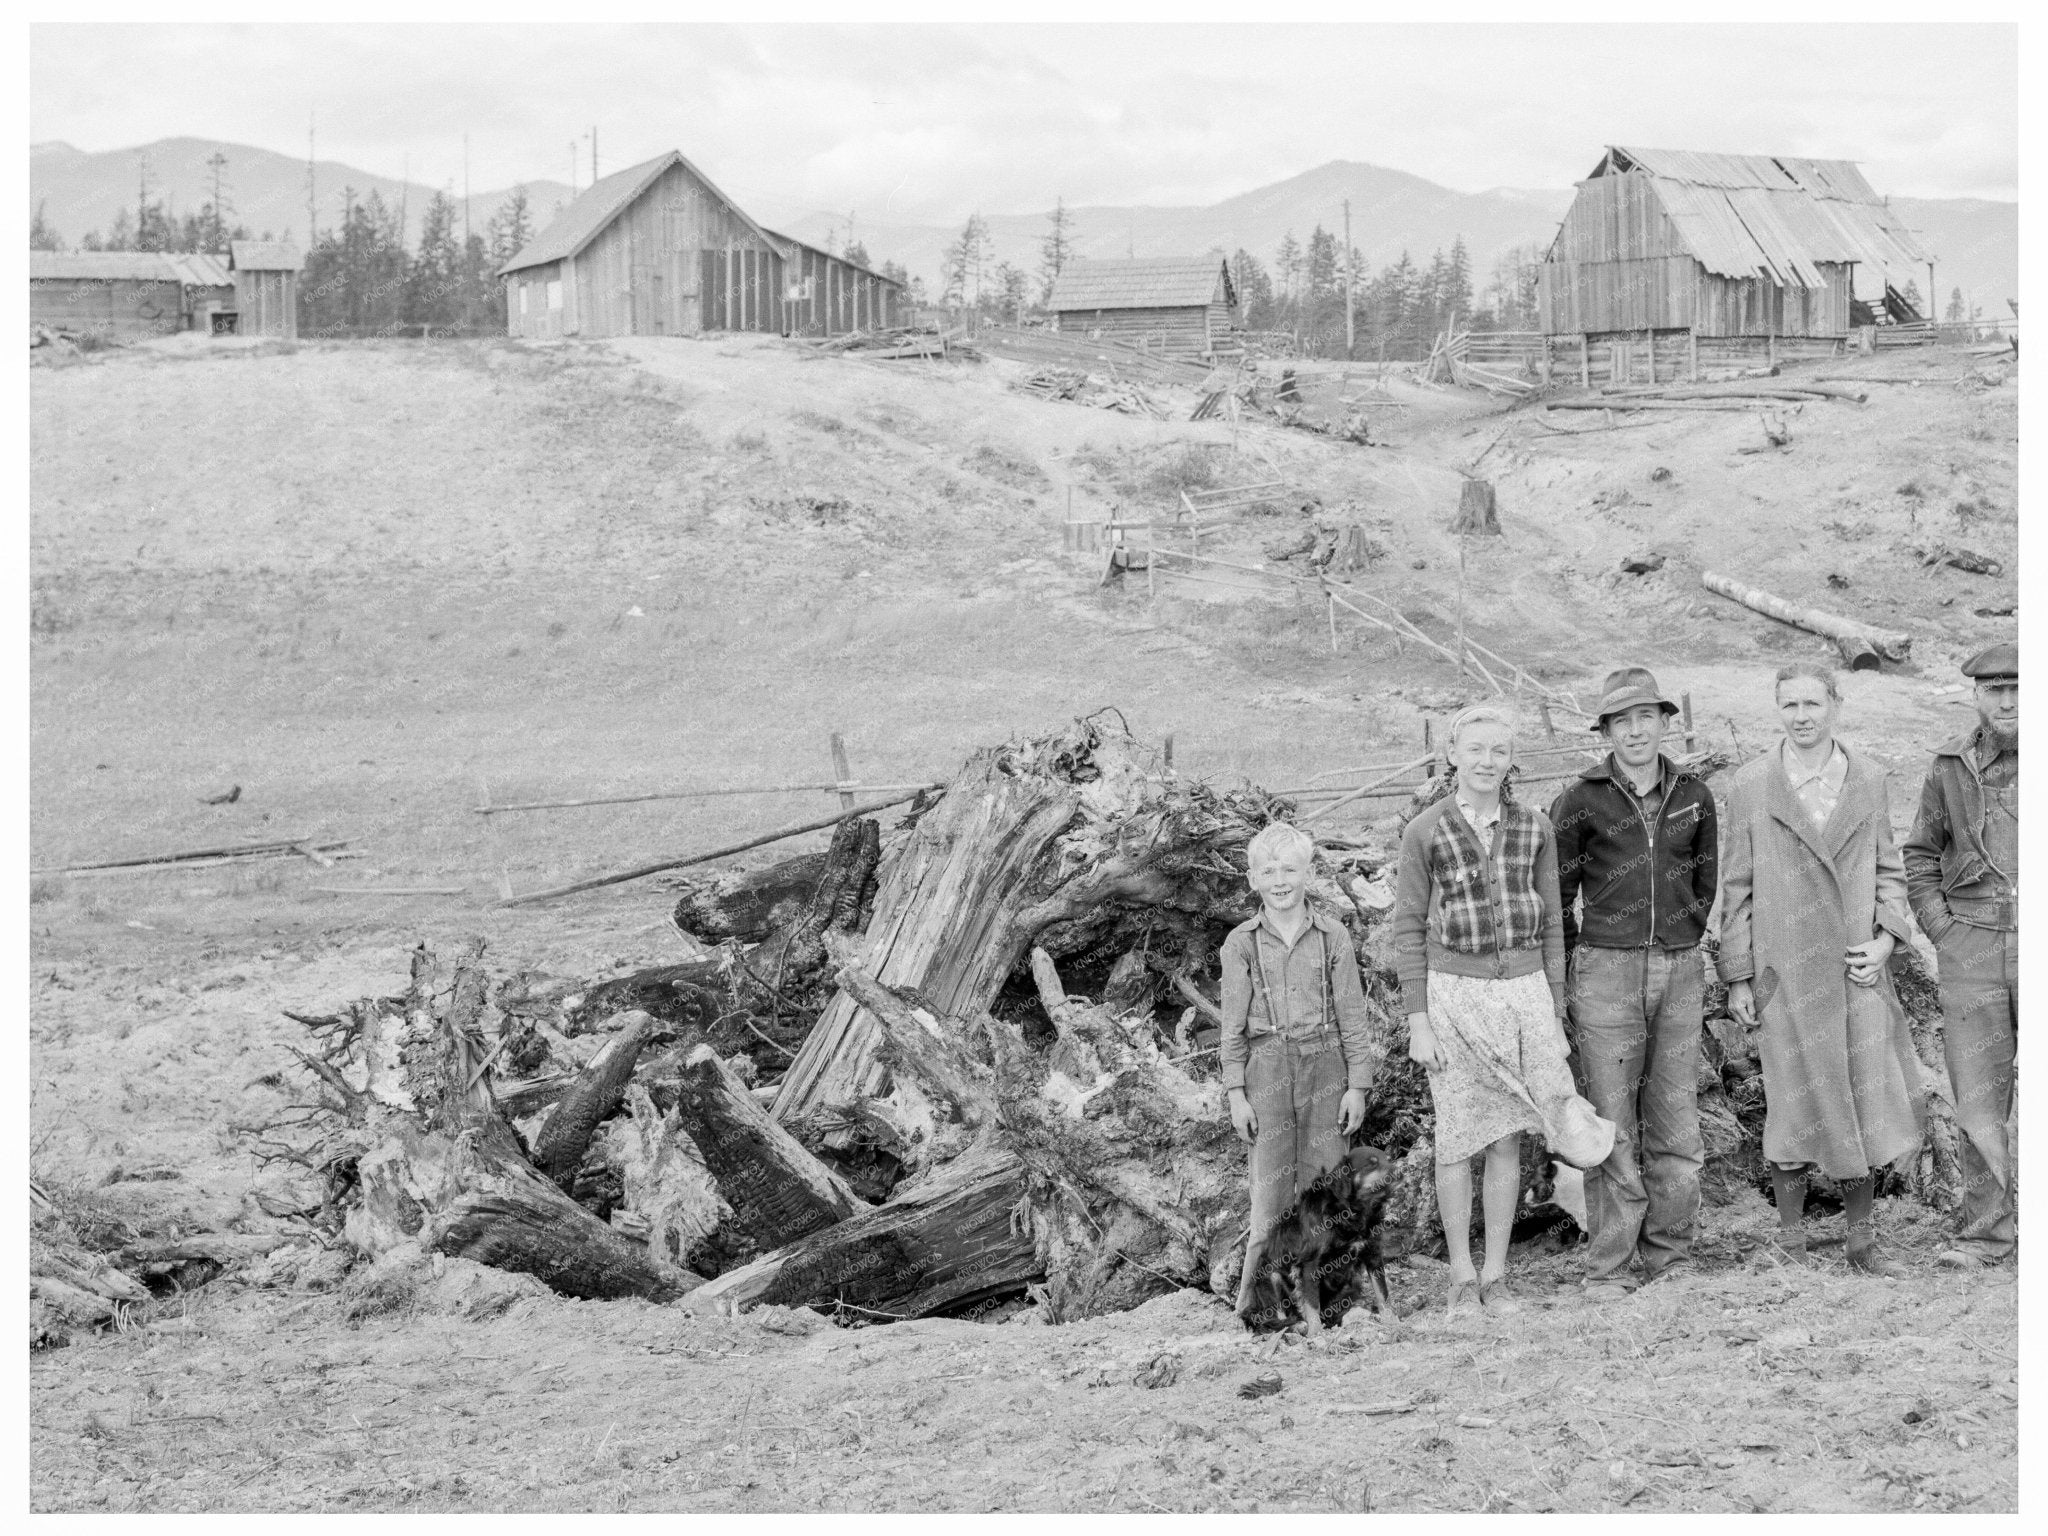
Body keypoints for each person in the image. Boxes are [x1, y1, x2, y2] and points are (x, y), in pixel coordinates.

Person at [1718, 663, 1923, 1275]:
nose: (1802, 716)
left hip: (1853, 971)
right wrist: (1739, 975)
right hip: (1784, 972)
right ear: (1777, 709)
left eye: (1813, 703)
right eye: (1790, 705)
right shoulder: (1753, 783)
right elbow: (1736, 887)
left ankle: (1862, 1243)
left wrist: (1885, 941)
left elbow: (1890, 871)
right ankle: (1791, 1241)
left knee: (1860, 1098)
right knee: (1791, 1100)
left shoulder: (1868, 777)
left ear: (1836, 704)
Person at [1394, 705, 1575, 1317]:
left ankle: (1496, 1275)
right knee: (1456, 1137)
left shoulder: (1535, 827)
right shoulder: (1425, 831)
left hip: (1522, 994)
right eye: (1475, 749)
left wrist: (1553, 1011)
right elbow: (1408, 931)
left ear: (1511, 759)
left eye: (1498, 750)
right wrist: (1418, 1021)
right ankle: (1460, 1277)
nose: (1486, 761)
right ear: (1452, 754)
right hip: (1454, 997)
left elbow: (1553, 925)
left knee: (1505, 1139)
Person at [1551, 667, 1719, 1300]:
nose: (1636, 730)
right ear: (1606, 732)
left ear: (1665, 721)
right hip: (1606, 970)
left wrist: (1685, 934)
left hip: (1679, 967)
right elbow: (1557, 895)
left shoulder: (1695, 794)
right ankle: (1610, 1264)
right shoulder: (1580, 799)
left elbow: (1705, 879)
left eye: (1646, 716)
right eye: (1621, 721)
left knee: (1676, 1114)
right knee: (1611, 1120)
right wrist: (1580, 963)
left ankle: (1671, 1255)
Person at [1220, 821, 1377, 1322]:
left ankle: (1335, 1302)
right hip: (1267, 1070)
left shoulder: (1333, 936)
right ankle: (1254, 1307)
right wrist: (1236, 1093)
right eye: (1268, 871)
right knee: (1269, 1195)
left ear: (1308, 873)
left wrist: (1357, 1085)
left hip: (1325, 1066)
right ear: (1253, 879)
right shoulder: (1241, 944)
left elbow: (1353, 1017)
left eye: (1289, 869)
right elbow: (1232, 1027)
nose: (1280, 880)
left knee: (1329, 1190)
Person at [1902, 642, 2018, 1269]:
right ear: (1976, 695)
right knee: (1978, 1099)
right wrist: (1941, 929)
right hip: (1971, 947)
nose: (2009, 701)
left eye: (2020, 688)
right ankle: (1986, 1233)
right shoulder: (1950, 766)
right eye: (1995, 689)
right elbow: (1921, 853)